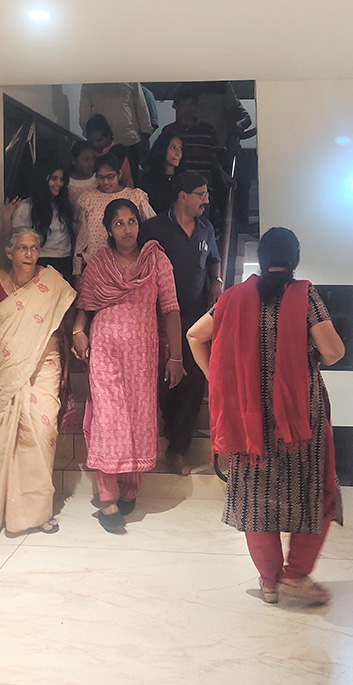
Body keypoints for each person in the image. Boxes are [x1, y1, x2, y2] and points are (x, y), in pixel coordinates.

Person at [187, 227, 345, 605]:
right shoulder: (305, 297)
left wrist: (220, 382)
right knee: (316, 494)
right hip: (300, 422)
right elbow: (334, 351)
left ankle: (270, 581)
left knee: (257, 501)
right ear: (295, 260)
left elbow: (195, 335)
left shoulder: (231, 298)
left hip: (248, 421)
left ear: (260, 261)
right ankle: (296, 575)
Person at [72, 199, 184, 533]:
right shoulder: (98, 264)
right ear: (107, 229)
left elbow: (172, 309)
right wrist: (78, 331)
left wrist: (176, 357)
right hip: (105, 350)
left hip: (142, 356)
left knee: (136, 418)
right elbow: (86, 305)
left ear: (139, 224)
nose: (126, 229)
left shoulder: (156, 260)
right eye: (118, 223)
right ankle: (108, 498)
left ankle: (130, 488)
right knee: (108, 420)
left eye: (131, 221)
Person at [0, 226, 76, 535]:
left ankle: (37, 512)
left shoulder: (52, 282)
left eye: (34, 247)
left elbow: (64, 317)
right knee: (4, 436)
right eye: (23, 248)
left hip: (45, 360)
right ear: (9, 252)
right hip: (4, 366)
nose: (29, 254)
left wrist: (78, 340)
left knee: (42, 430)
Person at [141, 171, 221, 475]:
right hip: (160, 318)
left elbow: (213, 260)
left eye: (206, 193)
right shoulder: (153, 228)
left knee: (195, 380)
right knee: (165, 380)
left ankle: (178, 449)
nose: (206, 200)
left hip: (196, 318)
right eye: (200, 194)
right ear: (182, 196)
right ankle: (169, 429)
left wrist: (216, 281)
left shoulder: (206, 229)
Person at [73, 154, 155, 277]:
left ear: (119, 174)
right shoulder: (88, 199)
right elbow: (81, 240)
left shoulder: (135, 197)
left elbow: (152, 228)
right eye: (101, 177)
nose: (106, 182)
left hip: (130, 268)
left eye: (110, 177)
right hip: (96, 269)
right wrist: (77, 273)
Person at [0, 160, 76, 283]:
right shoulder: (26, 207)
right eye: (54, 178)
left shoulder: (66, 204)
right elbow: (12, 239)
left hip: (64, 261)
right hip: (38, 261)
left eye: (61, 179)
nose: (59, 183)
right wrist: (6, 218)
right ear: (42, 180)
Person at [79, 82, 152, 181]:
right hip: (102, 145)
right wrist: (91, 137)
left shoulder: (131, 78)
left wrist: (146, 134)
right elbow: (84, 112)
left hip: (129, 141)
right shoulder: (90, 81)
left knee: (129, 181)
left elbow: (141, 107)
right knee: (102, 181)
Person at [137, 131, 183, 215]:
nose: (178, 153)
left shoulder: (185, 177)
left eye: (180, 148)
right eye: (173, 148)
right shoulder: (148, 177)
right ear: (162, 148)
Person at [84, 113, 134, 188]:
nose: (95, 144)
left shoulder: (119, 152)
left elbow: (127, 181)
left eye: (99, 140)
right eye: (91, 141)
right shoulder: (86, 152)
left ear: (108, 136)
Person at [67, 140, 98, 205]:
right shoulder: (65, 181)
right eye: (86, 159)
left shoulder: (97, 180)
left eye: (93, 159)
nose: (91, 163)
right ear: (73, 160)